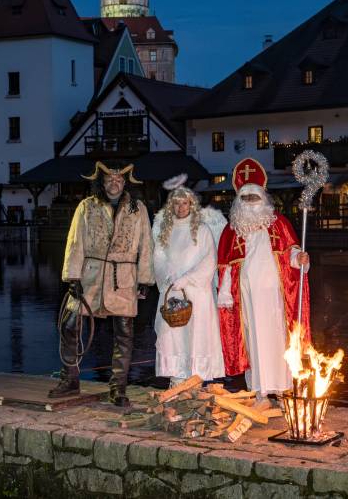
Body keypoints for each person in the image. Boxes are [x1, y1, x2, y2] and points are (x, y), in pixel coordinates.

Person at [49, 161, 154, 406]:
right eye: (109, 180)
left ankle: (118, 388)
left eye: (118, 180)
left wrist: (145, 279)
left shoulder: (137, 209)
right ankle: (69, 379)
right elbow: (75, 242)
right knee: (70, 324)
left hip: (123, 277)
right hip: (91, 276)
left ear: (125, 182)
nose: (114, 184)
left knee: (125, 333)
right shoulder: (87, 207)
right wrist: (72, 277)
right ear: (101, 183)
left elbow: (146, 245)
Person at [217, 158, 311, 397]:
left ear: (264, 198)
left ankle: (283, 390)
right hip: (246, 298)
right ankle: (259, 391)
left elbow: (291, 251)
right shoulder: (231, 230)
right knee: (253, 341)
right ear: (238, 201)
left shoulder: (278, 223)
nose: (250, 203)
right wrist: (225, 292)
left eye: (254, 197)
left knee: (278, 338)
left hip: (273, 297)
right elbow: (225, 266)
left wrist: (299, 258)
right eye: (245, 198)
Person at [152, 174, 226, 387]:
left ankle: (195, 380)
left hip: (196, 292)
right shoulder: (166, 231)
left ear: (191, 205)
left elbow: (209, 259)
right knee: (173, 336)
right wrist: (168, 275)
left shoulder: (202, 230)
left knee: (195, 335)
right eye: (176, 203)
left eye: (185, 203)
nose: (181, 207)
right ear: (171, 206)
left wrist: (187, 278)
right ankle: (176, 380)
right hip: (172, 290)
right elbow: (159, 257)